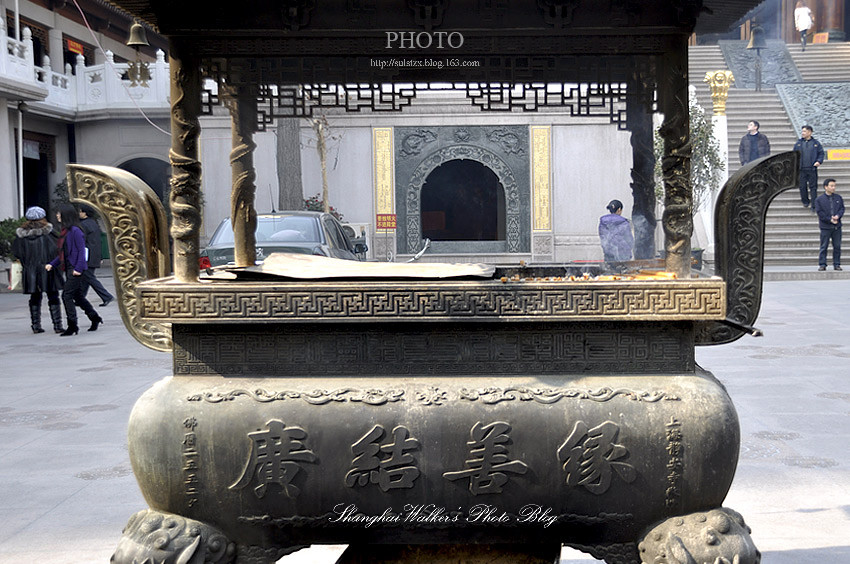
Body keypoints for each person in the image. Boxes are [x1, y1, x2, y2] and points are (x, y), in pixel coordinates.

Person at [45, 203, 103, 336]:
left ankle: (72, 325)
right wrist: (52, 264)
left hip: (76, 268)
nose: (57, 216)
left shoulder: (76, 231)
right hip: (70, 266)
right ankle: (95, 318)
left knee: (66, 295)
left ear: (66, 215)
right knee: (78, 296)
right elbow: (64, 253)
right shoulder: (66, 231)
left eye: (59, 213)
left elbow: (81, 251)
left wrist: (78, 268)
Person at [11, 206, 65, 334]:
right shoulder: (49, 233)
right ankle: (57, 325)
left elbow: (17, 253)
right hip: (48, 268)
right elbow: (57, 250)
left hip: (30, 270)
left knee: (35, 297)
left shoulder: (21, 236)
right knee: (53, 296)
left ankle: (35, 325)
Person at [78, 205, 114, 307]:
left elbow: (82, 241)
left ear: (85, 213)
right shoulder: (94, 223)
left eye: (80, 211)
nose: (79, 213)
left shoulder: (83, 225)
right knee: (87, 277)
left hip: (87, 255)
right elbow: (98, 241)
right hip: (95, 254)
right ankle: (81, 298)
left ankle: (106, 296)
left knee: (89, 277)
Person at [792, 125, 825, 210]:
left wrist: (818, 161)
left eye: (804, 131)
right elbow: (794, 154)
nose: (803, 133)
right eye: (802, 131)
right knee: (802, 186)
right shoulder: (799, 143)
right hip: (801, 169)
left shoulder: (816, 143)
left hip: (812, 169)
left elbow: (821, 153)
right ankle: (805, 201)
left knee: (813, 187)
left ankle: (814, 204)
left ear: (810, 132)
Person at [814, 178, 843, 271]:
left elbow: (842, 209)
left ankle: (837, 263)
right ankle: (822, 264)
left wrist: (838, 216)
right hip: (825, 227)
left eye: (834, 186)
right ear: (826, 187)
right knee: (824, 246)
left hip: (837, 226)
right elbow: (820, 212)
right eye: (831, 186)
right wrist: (830, 219)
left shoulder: (838, 198)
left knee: (837, 246)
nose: (833, 188)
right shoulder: (819, 199)